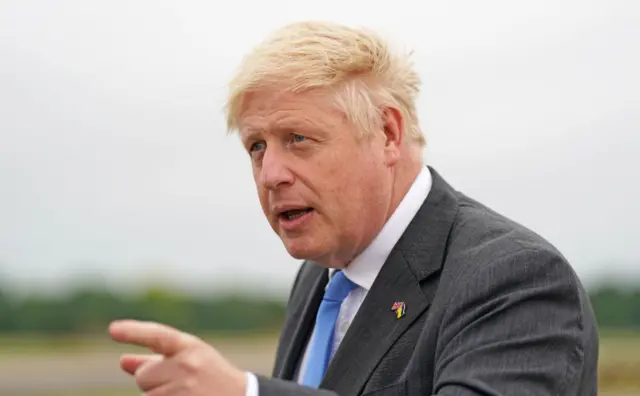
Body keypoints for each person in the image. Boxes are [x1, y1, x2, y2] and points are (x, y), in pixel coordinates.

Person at [109, 21, 599, 395]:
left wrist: (248, 393)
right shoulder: (322, 276)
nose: (270, 173)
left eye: (298, 139)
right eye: (256, 146)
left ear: (388, 133)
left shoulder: (515, 277)